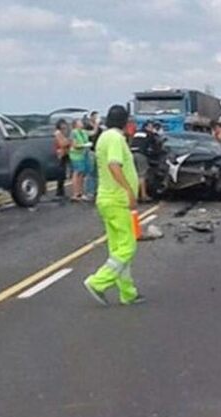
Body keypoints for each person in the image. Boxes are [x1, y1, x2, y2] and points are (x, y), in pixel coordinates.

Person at [83, 105, 144, 306]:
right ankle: (98, 282)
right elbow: (114, 165)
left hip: (106, 198)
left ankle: (128, 293)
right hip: (118, 200)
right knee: (128, 246)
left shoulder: (103, 137)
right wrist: (128, 190)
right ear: (125, 122)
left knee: (117, 249)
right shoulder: (116, 139)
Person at [69, 119, 91, 201]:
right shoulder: (74, 132)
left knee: (81, 174)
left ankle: (80, 192)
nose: (81, 123)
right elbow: (74, 145)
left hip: (83, 154)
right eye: (79, 122)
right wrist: (84, 145)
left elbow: (93, 132)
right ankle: (75, 193)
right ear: (75, 124)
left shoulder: (83, 132)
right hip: (76, 155)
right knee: (77, 173)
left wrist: (96, 124)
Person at [53, 120, 71, 198]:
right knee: (61, 174)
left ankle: (61, 192)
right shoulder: (58, 133)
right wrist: (69, 141)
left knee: (63, 174)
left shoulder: (63, 133)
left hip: (64, 154)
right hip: (60, 155)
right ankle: (59, 193)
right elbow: (62, 143)